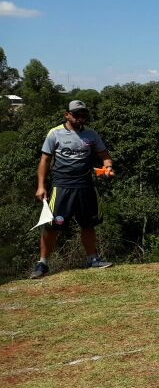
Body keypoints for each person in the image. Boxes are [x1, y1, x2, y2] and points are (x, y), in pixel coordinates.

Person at [31, 99, 115, 278]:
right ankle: (42, 264)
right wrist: (40, 186)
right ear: (67, 115)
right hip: (62, 186)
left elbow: (105, 156)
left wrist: (107, 168)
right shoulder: (55, 133)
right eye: (76, 115)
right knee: (52, 225)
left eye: (83, 115)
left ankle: (93, 259)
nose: (80, 119)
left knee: (88, 224)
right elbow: (44, 160)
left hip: (85, 186)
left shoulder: (92, 135)